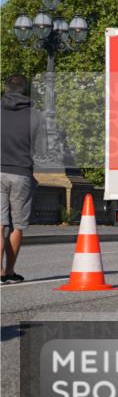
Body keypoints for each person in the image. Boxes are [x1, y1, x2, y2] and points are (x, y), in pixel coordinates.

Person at [2, 75, 43, 284]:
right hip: (21, 173)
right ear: (26, 91)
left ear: (6, 89)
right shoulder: (35, 116)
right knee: (17, 225)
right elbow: (41, 148)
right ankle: (9, 271)